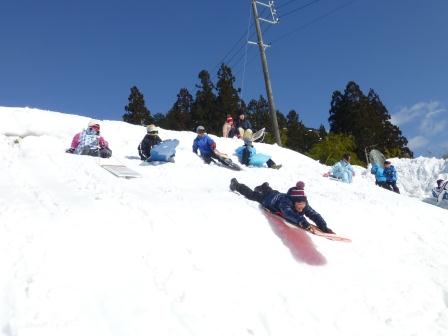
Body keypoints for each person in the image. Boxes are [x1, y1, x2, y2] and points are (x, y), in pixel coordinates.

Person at [230, 179, 334, 233]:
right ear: (293, 202)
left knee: (271, 191)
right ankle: (237, 185)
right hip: (267, 200)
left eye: (303, 205)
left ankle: (265, 186)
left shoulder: (303, 204)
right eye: (299, 205)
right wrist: (301, 221)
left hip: (276, 193)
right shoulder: (286, 202)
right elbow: (287, 213)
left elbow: (314, 214)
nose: (301, 208)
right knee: (252, 195)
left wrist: (323, 226)